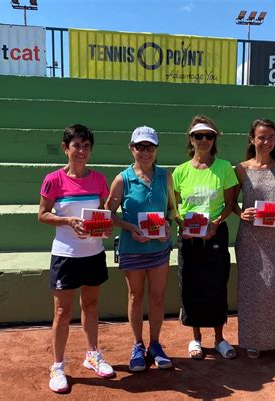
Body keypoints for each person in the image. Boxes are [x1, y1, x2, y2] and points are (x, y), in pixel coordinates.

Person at [38, 124, 114, 393]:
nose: (81, 151)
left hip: (93, 254)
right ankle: (58, 365)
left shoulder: (98, 179)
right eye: (76, 146)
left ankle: (92, 354)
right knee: (62, 311)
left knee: (91, 305)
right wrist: (67, 221)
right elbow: (42, 214)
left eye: (86, 146)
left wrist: (106, 226)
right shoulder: (53, 179)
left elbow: (105, 213)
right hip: (66, 255)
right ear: (65, 148)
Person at [105, 126, 176, 372]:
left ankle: (155, 344)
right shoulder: (121, 179)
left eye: (150, 147)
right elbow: (108, 215)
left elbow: (171, 210)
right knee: (135, 297)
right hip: (132, 248)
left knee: (157, 298)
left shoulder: (166, 176)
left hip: (159, 248)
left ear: (156, 150)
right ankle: (137, 345)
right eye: (140, 147)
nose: (145, 152)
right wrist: (131, 228)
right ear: (131, 148)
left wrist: (166, 224)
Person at [234, 118, 275, 363]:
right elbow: (230, 203)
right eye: (261, 137)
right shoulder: (240, 169)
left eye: (271, 137)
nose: (266, 142)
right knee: (254, 291)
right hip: (251, 239)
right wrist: (241, 213)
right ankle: (254, 340)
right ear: (252, 139)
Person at [173, 115, 238, 360]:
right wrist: (182, 224)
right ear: (191, 139)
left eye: (208, 136)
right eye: (198, 135)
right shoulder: (179, 172)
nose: (203, 140)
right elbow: (175, 206)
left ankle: (220, 338)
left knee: (217, 284)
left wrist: (216, 223)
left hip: (215, 233)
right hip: (189, 238)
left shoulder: (224, 168)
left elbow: (230, 204)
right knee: (190, 285)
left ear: (214, 139)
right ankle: (196, 339)